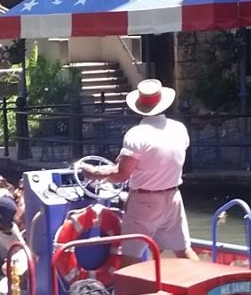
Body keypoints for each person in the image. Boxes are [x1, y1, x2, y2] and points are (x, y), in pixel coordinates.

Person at [80, 78, 197, 264]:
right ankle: (204, 288)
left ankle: (132, 292)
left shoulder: (136, 135)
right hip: (173, 196)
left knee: (130, 259)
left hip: (145, 202)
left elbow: (121, 174)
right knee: (183, 250)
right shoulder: (179, 129)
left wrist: (93, 173)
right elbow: (162, 159)